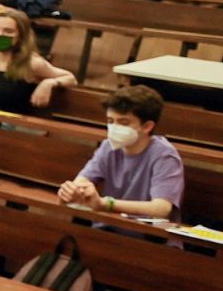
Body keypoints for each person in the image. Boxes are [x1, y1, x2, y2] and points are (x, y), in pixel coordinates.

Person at [58, 86, 184, 220]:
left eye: (123, 122)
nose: (114, 128)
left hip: (144, 230)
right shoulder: (108, 146)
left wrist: (106, 204)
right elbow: (82, 181)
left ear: (147, 126)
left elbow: (161, 208)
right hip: (107, 226)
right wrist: (72, 191)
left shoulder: (165, 156)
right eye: (110, 121)